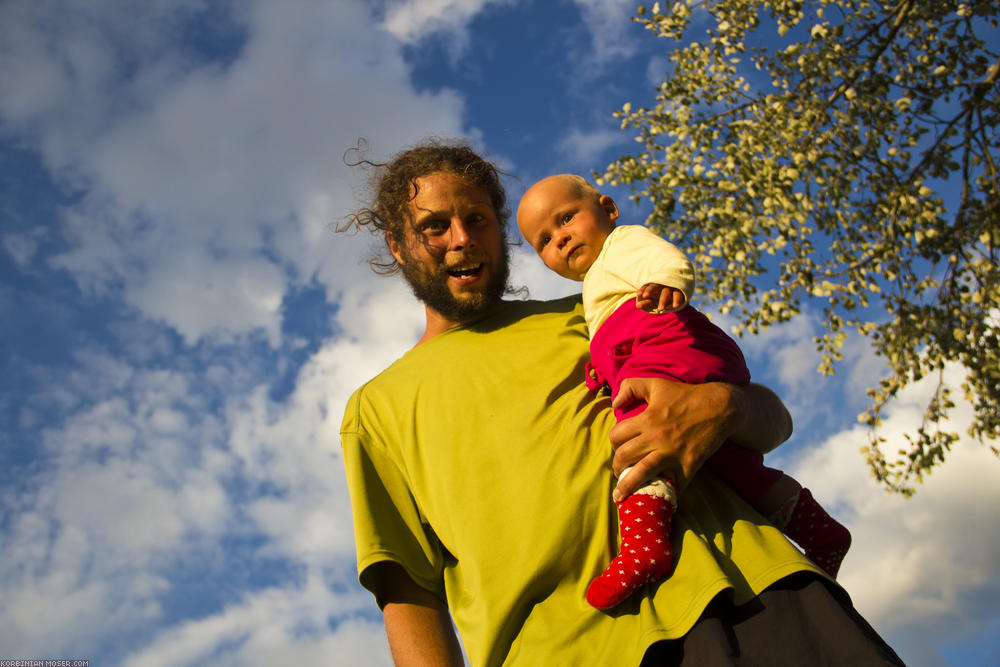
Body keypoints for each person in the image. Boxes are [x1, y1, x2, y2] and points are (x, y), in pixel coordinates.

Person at [339, 139, 903, 666]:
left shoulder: (596, 310)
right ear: (396, 244)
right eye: (435, 226)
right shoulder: (376, 410)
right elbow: (409, 591)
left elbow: (772, 419)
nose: (462, 238)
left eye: (477, 220)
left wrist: (722, 406)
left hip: (761, 590)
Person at [516, 174, 852, 610]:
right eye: (544, 240)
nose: (560, 238)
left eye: (566, 219)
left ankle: (645, 546)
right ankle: (820, 531)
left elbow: (661, 257)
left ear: (609, 209)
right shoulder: (596, 286)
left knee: (642, 431)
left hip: (668, 341)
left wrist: (668, 282)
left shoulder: (622, 244)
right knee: (735, 467)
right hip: (675, 353)